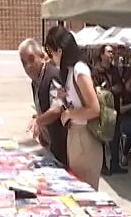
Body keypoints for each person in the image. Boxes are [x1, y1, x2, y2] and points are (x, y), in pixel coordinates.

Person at [44, 25, 103, 190]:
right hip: (75, 136)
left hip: (85, 138)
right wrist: (65, 98)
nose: (51, 58)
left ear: (60, 51)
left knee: (85, 191)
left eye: (51, 52)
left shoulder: (79, 69)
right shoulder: (70, 71)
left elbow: (94, 109)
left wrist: (69, 113)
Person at [18, 38, 68, 166]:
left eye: (31, 59)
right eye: (24, 63)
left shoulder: (52, 76)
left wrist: (39, 121)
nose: (28, 66)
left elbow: (57, 109)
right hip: (49, 144)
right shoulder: (35, 81)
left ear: (41, 56)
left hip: (63, 146)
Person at [92, 44, 127, 175]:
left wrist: (116, 89)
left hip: (114, 109)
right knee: (102, 138)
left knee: (115, 137)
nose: (112, 54)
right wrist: (111, 90)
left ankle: (115, 164)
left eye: (113, 52)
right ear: (102, 54)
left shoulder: (114, 70)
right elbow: (96, 90)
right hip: (102, 110)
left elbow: (121, 86)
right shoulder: (96, 71)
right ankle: (102, 166)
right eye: (109, 52)